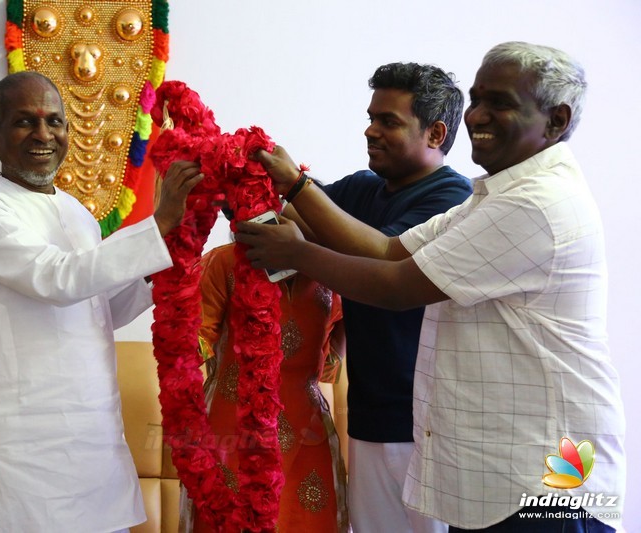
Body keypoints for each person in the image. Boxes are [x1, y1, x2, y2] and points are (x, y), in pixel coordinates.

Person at [237, 42, 626, 532]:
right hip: (488, 467)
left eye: (500, 102)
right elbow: (391, 252)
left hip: (548, 479)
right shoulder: (494, 194)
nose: (478, 115)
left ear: (556, 120)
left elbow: (398, 284)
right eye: (478, 98)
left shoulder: (534, 202)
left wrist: (296, 243)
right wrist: (248, 185)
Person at [0, 71, 203, 533]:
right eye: (25, 121)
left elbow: (99, 310)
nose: (44, 135)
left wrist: (167, 267)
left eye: (54, 121)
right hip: (20, 443)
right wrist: (158, 222)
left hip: (90, 438)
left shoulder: (76, 212)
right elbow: (57, 279)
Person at [248, 62, 473, 532]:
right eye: (371, 117)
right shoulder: (362, 189)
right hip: (369, 420)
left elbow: (384, 260)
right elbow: (286, 222)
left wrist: (296, 188)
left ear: (435, 133)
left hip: (431, 428)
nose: (370, 131)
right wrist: (233, 175)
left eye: (388, 121)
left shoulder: (454, 197)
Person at [180, 233, 349, 531]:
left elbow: (327, 364)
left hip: (307, 430)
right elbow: (194, 345)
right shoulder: (226, 262)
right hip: (231, 425)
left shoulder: (331, 271)